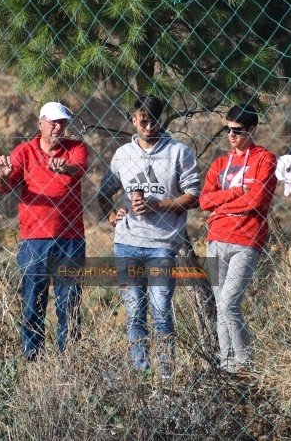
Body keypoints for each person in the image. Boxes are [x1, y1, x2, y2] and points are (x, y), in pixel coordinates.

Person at [97, 96, 200, 377]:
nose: (149, 126)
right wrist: (111, 214)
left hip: (162, 244)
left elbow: (194, 197)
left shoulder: (179, 152)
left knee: (162, 309)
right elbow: (104, 193)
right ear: (133, 120)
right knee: (134, 313)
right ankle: (141, 372)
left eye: (154, 120)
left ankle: (166, 375)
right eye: (143, 121)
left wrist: (159, 205)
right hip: (127, 243)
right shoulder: (123, 155)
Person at [0, 101, 89, 361]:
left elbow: (79, 169)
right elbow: (4, 186)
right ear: (41, 123)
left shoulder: (75, 148)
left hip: (70, 239)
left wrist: (65, 167)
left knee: (69, 303)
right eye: (54, 122)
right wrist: (3, 175)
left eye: (63, 123)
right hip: (34, 239)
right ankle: (31, 360)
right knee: (32, 303)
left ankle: (69, 361)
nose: (59, 127)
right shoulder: (24, 152)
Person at [199, 105, 277, 374]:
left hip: (246, 239)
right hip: (215, 239)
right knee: (221, 308)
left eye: (238, 131)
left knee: (230, 304)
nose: (231, 135)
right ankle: (227, 365)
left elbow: (257, 200)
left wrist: (221, 205)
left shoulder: (265, 159)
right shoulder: (220, 163)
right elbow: (204, 200)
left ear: (252, 129)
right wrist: (234, 195)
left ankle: (245, 364)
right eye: (228, 129)